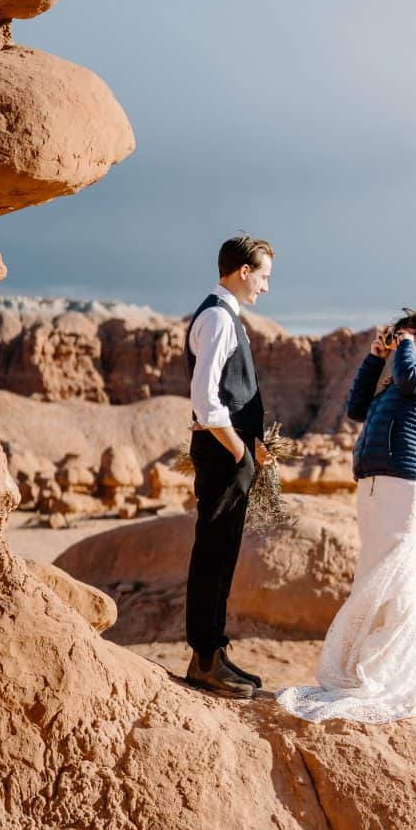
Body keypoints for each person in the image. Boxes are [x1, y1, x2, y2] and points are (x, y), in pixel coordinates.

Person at [277, 307, 416, 724]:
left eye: (405, 334)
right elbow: (356, 408)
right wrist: (373, 357)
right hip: (375, 479)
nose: (398, 341)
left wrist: (405, 346)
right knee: (376, 575)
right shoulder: (399, 373)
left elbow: (412, 379)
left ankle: (396, 675)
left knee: (393, 576)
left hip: (404, 479)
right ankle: (374, 668)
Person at [184, 234, 275, 699]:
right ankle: (204, 661)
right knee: (213, 553)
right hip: (223, 454)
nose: (265, 286)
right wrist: (240, 451)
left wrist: (252, 448)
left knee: (222, 553)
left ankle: (213, 653)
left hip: (231, 453)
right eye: (263, 276)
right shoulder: (219, 318)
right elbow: (205, 401)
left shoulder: (225, 316)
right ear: (243, 272)